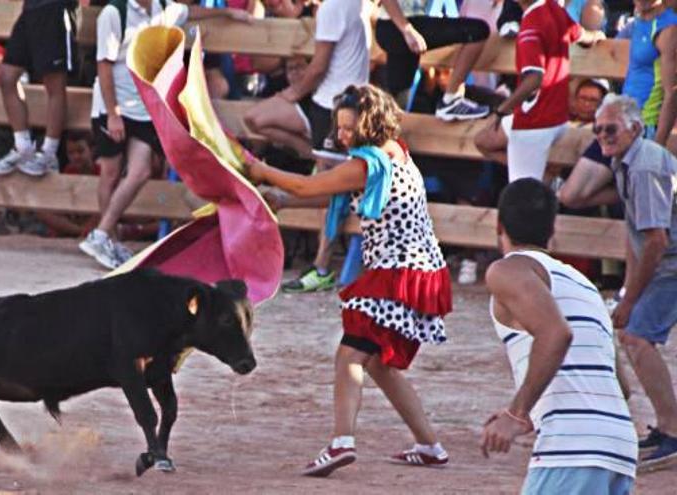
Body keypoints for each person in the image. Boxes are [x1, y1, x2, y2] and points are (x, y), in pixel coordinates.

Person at [245, 85, 452, 476]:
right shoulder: (395, 153)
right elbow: (330, 190)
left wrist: (259, 169)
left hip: (398, 271)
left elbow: (308, 185)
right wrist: (285, 198)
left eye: (346, 128)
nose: (340, 135)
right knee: (378, 365)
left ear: (367, 124)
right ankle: (430, 445)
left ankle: (342, 443)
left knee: (349, 356)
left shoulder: (366, 162)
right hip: (418, 270)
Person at [483, 178, 636, 494]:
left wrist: (517, 412)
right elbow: (621, 385)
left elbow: (555, 333)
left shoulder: (507, 270)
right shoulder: (583, 284)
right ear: (553, 230)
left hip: (571, 449)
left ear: (499, 225)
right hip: (618, 448)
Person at [78, 0, 251, 269]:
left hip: (144, 105)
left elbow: (189, 12)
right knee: (110, 173)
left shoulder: (162, 7)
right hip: (114, 104)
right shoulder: (114, 13)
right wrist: (113, 112)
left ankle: (101, 234)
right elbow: (104, 66)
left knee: (141, 170)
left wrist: (226, 11)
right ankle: (106, 238)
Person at [570, 94, 677, 470]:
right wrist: (630, 292)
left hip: (672, 261)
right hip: (665, 259)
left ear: (634, 128)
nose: (602, 135)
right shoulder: (625, 161)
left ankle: (673, 430)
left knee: (636, 336)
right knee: (634, 334)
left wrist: (630, 300)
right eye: (598, 129)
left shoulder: (644, 165)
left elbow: (655, 239)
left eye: (609, 128)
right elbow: (638, 235)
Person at [247, 0, 371, 292]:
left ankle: (322, 266)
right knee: (256, 117)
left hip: (337, 107)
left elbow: (317, 67)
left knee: (333, 188)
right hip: (324, 102)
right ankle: (304, 158)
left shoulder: (333, 8)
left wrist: (290, 94)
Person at [473, 0, 605, 182]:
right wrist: (596, 36)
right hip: (556, 116)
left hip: (535, 121)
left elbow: (534, 78)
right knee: (483, 141)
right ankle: (544, 175)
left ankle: (538, 179)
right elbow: (582, 35)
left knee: (523, 193)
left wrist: (501, 110)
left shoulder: (530, 27)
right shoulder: (554, 9)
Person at [0, 0, 80, 177]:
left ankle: (49, 154)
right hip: (31, 9)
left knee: (54, 82)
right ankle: (23, 148)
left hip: (55, 9)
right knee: (6, 77)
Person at [375, 0, 491, 121]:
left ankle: (384, 131)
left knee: (397, 103)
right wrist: (407, 30)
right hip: (400, 27)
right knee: (477, 31)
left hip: (398, 27)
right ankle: (451, 98)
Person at [622, 0, 677, 146]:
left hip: (645, 124)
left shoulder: (668, 27)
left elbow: (671, 93)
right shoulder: (638, 22)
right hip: (623, 117)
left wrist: (657, 146)